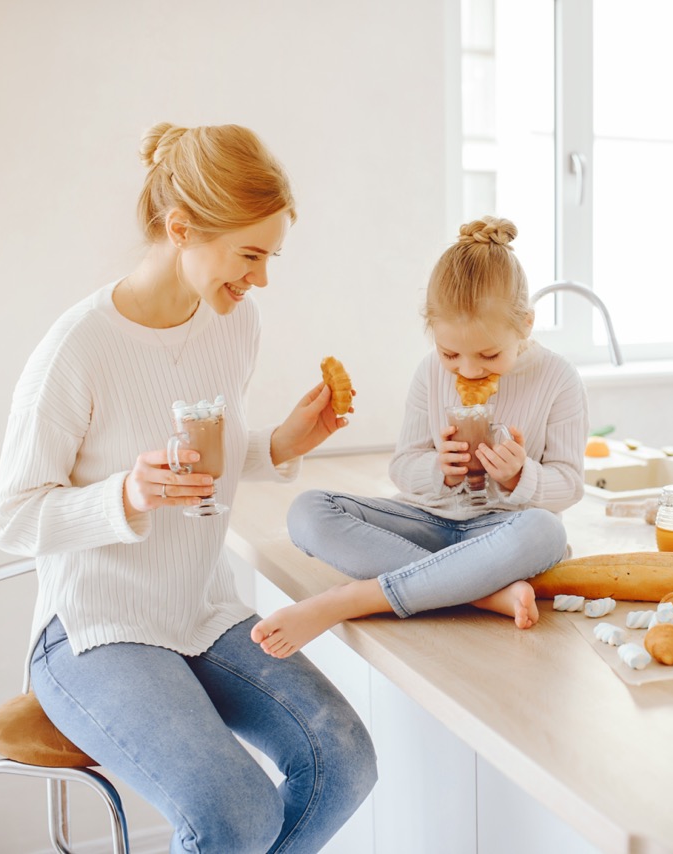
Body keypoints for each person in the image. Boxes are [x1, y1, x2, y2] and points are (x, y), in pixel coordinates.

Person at [0, 122, 377, 853]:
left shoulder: (235, 326)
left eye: (270, 256)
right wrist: (124, 497)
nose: (260, 278)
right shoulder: (77, 349)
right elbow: (10, 518)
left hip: (200, 612)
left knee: (343, 761)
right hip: (93, 627)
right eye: (250, 255)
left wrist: (282, 444)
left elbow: (199, 464)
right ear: (181, 228)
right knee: (235, 812)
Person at [251, 216, 587, 658]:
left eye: (489, 355)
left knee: (544, 532)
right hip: (427, 523)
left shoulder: (558, 378)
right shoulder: (429, 372)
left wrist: (519, 476)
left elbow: (570, 483)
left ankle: (355, 598)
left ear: (525, 325)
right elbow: (403, 466)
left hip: (503, 530)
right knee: (308, 512)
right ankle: (478, 592)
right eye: (451, 354)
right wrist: (438, 472)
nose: (468, 370)